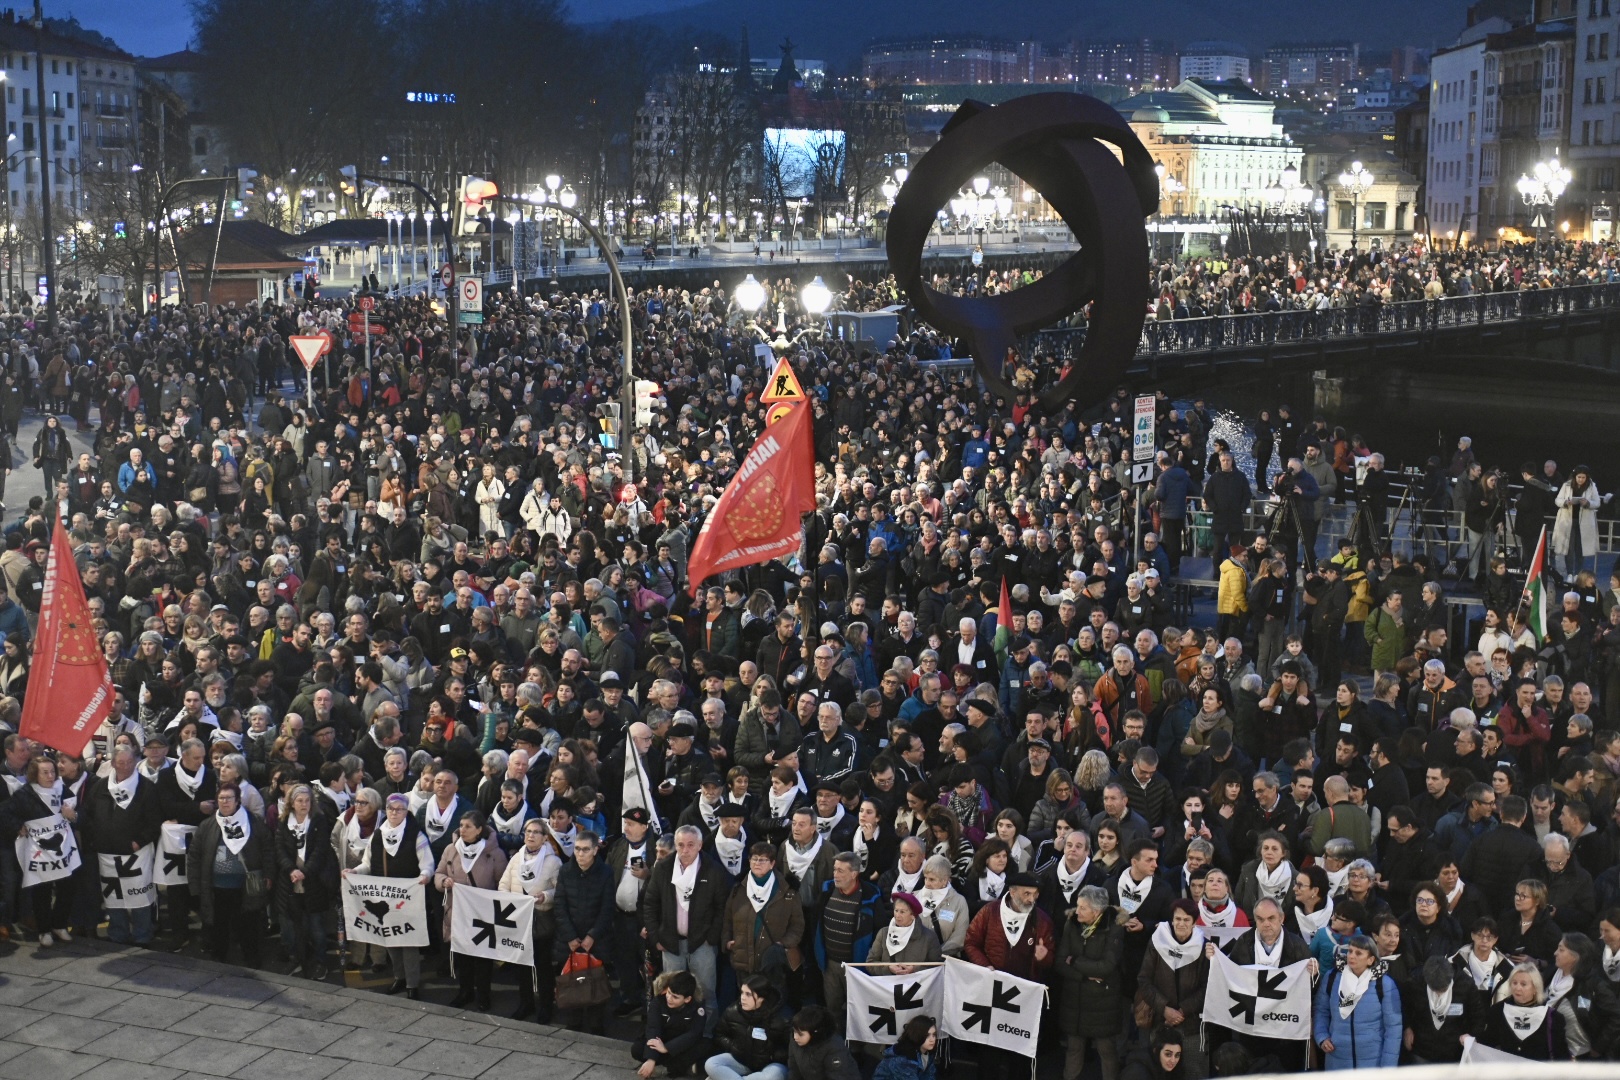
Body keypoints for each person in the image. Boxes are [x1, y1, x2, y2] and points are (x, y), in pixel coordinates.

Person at [349, 792, 434, 999]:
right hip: (384, 897)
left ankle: (412, 983)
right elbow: (367, 863)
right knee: (391, 940)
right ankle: (400, 977)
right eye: (391, 809)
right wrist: (354, 872)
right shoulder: (378, 835)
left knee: (409, 941)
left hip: (408, 898)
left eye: (399, 809)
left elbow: (428, 864)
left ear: (406, 812)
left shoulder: (416, 835)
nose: (394, 813)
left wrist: (424, 876)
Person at [645, 824, 727, 1034]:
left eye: (691, 845)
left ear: (700, 845)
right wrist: (656, 937)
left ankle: (706, 1038)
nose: (685, 850)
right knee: (670, 994)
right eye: (680, 845)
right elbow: (650, 904)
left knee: (706, 994)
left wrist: (712, 937)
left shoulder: (713, 869)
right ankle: (674, 1036)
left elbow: (721, 907)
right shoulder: (663, 868)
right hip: (671, 944)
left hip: (702, 944)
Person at [78, 744, 162, 945]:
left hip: (135, 853)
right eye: (121, 762)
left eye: (130, 762)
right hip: (106, 853)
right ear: (113, 763)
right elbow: (88, 814)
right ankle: (118, 933)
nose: (125, 767)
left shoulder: (147, 788)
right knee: (113, 896)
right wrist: (95, 838)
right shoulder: (100, 786)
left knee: (139, 895)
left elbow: (154, 821)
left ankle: (142, 935)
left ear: (136, 761)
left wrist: (138, 842)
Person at [186, 782, 273, 967]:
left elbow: (267, 850)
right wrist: (194, 886)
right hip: (217, 886)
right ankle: (220, 958)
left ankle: (252, 958)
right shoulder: (207, 825)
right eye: (221, 798)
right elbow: (194, 857)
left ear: (238, 800)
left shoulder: (254, 822)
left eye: (229, 798)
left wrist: (269, 874)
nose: (225, 802)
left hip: (246, 885)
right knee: (219, 925)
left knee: (248, 924)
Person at [0, 755, 79, 945]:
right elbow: (5, 813)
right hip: (40, 853)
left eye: (52, 771)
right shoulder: (25, 793)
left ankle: (59, 925)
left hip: (63, 851)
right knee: (42, 891)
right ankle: (44, 930)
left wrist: (74, 815)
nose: (50, 776)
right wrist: (18, 825)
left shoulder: (62, 790)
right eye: (45, 772)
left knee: (67, 888)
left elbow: (79, 812)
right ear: (35, 774)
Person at [1056, 884, 1124, 1080]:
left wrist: (1075, 961)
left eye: (1082, 908)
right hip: (1074, 1000)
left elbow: (1106, 967)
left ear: (1097, 912)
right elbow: (1060, 962)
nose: (1077, 911)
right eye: (1077, 906)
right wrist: (1084, 976)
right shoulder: (1072, 924)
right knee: (1073, 1049)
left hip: (1103, 1002)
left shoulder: (1114, 927)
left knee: (1106, 1050)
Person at [499, 816, 564, 1023]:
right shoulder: (516, 859)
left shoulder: (553, 861)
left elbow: (559, 890)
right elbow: (503, 884)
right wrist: (510, 901)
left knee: (543, 966)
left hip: (542, 918)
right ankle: (526, 1003)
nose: (531, 835)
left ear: (545, 838)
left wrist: (545, 896)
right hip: (519, 918)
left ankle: (546, 1005)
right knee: (522, 965)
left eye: (536, 832)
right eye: (528, 832)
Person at [273, 783, 338, 980]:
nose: (304, 804)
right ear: (291, 803)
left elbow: (320, 851)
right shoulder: (283, 822)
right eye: (300, 801)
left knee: (316, 926)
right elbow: (279, 849)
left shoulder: (318, 820)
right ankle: (297, 959)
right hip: (289, 882)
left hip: (313, 882)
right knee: (292, 927)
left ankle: (320, 961)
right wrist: (291, 869)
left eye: (307, 801)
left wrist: (305, 872)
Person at [553, 828, 614, 1033]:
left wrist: (592, 936)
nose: (580, 854)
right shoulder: (565, 871)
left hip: (597, 940)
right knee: (571, 982)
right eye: (577, 849)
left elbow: (607, 909)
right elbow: (559, 905)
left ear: (595, 850)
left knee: (596, 983)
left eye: (585, 850)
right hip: (569, 940)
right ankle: (574, 1023)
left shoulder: (606, 873)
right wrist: (571, 937)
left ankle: (596, 1026)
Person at [1313, 933, 1402, 1069]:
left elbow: (1393, 1029)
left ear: (1370, 959)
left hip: (1372, 1062)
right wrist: (1322, 1036)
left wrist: (1388, 1069)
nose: (1351, 956)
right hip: (1337, 1059)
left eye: (1358, 953)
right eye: (1350, 951)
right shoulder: (1331, 978)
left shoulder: (1384, 984)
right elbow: (1320, 1011)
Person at [708, 975, 792, 1080]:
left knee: (772, 1077)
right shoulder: (733, 1011)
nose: (742, 998)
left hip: (770, 1065)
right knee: (711, 1063)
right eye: (742, 992)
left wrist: (772, 1055)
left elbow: (791, 1047)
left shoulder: (782, 1018)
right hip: (741, 1060)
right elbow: (719, 1034)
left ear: (761, 998)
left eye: (748, 994)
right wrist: (732, 1046)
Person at [1480, 962, 1570, 1060]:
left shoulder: (1553, 1018)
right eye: (1514, 983)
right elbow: (1487, 1044)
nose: (1517, 988)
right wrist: (1470, 1040)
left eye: (1523, 984)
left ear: (1535, 988)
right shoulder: (1497, 1011)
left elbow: (1561, 1054)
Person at [1403, 955, 1479, 1064]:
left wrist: (1472, 1035)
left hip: (1454, 1053)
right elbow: (1405, 1007)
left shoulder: (1466, 984)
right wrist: (1407, 1027)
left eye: (1443, 989)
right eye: (1435, 990)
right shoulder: (1414, 982)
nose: (1439, 993)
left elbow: (1477, 1015)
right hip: (1422, 1050)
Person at [636, 969, 711, 1078]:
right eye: (669, 993)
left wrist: (667, 1048)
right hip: (662, 1038)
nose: (669, 998)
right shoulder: (658, 1001)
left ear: (687, 999)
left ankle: (676, 1065)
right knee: (637, 1049)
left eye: (675, 997)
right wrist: (651, 1058)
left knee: (705, 1045)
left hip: (681, 1043)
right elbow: (653, 1027)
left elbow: (693, 1033)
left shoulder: (697, 1007)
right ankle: (673, 1064)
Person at [786, 1006, 861, 1080]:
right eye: (794, 1031)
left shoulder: (834, 1047)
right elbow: (793, 1069)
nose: (795, 1037)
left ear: (814, 1032)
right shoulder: (795, 1040)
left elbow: (838, 1076)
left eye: (800, 1034)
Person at [871, 1015, 938, 1080]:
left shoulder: (928, 1053)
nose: (932, 1039)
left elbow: (929, 1075)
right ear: (917, 1035)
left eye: (934, 1035)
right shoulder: (904, 1059)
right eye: (927, 1036)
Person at [1120, 1026, 1184, 1080]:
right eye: (1168, 1054)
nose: (1173, 1060)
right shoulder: (1137, 1072)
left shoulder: (1169, 1070)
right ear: (1155, 1051)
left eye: (1177, 1055)